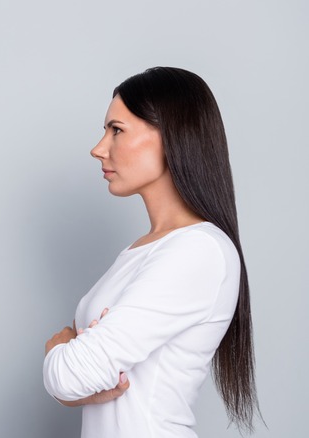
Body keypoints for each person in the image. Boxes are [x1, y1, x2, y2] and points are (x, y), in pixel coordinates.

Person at [43, 67, 259, 437]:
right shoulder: (142, 252)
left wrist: (59, 350)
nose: (99, 148)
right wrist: (71, 378)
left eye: (117, 130)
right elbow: (76, 381)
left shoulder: (199, 251)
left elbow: (71, 374)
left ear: (170, 138)